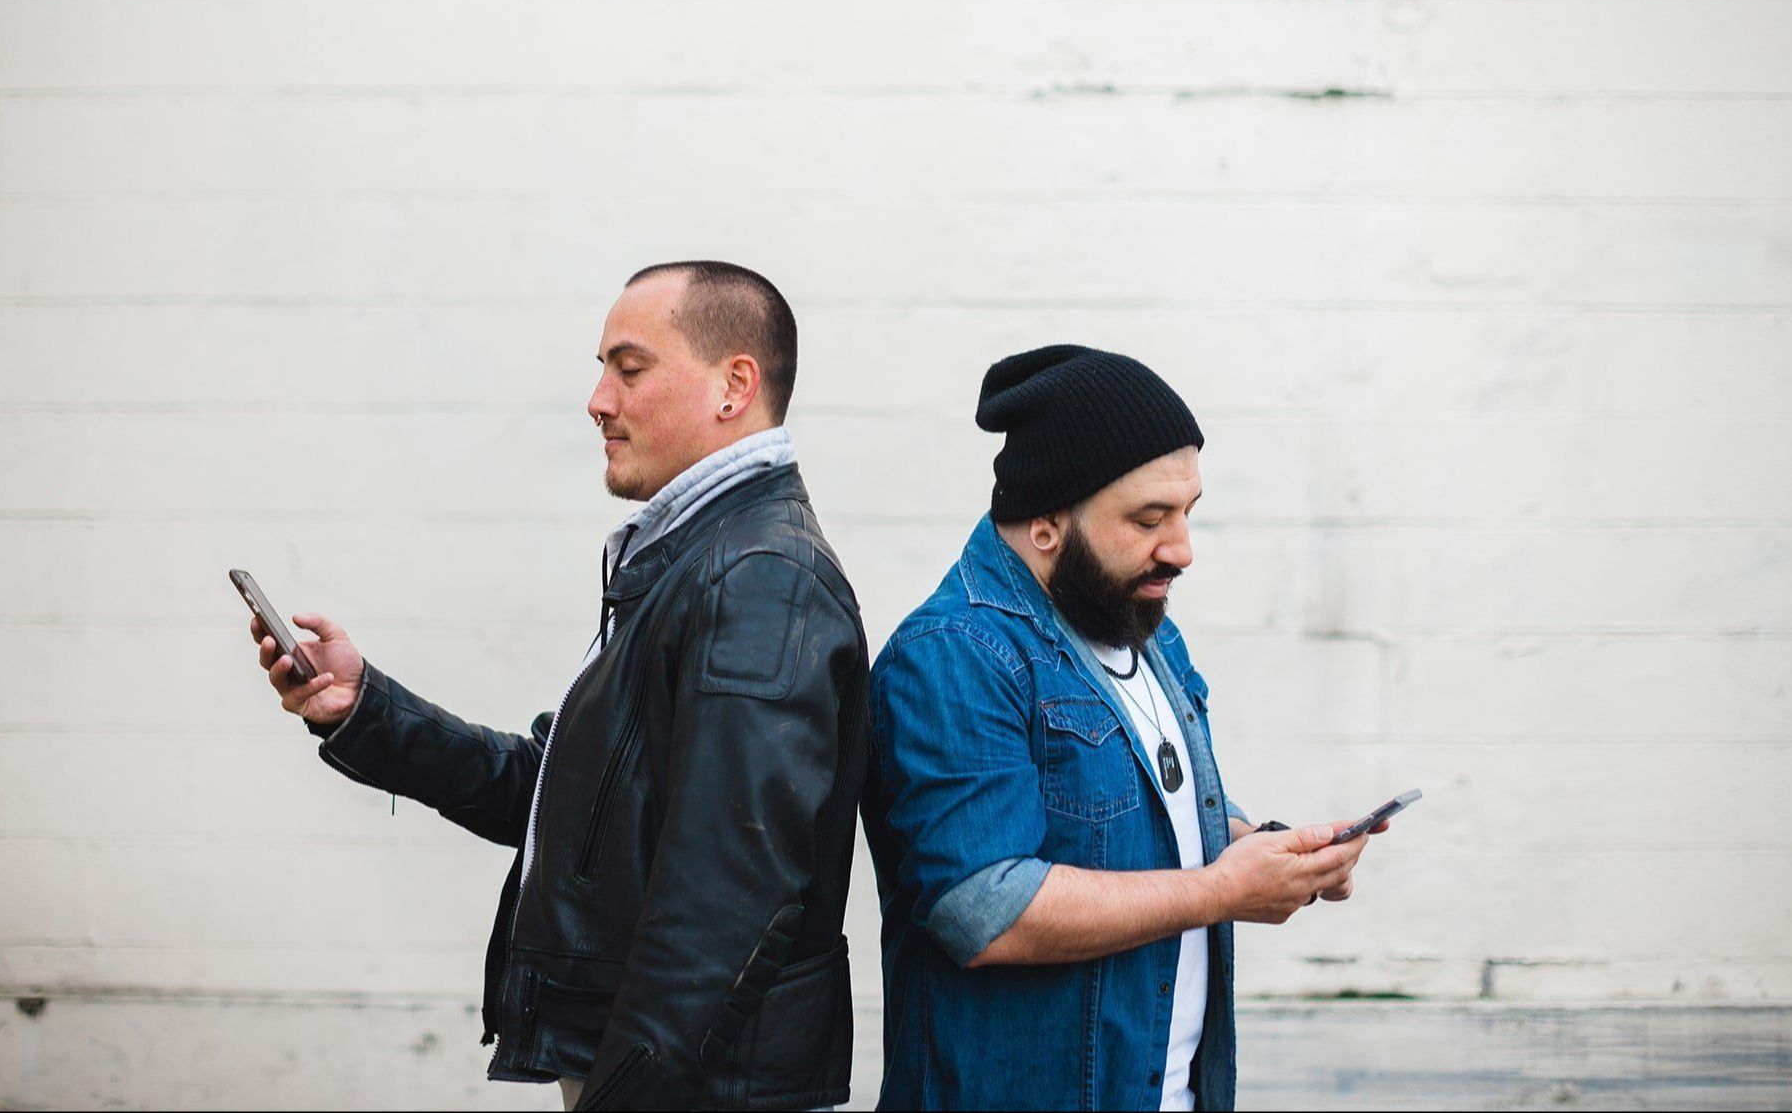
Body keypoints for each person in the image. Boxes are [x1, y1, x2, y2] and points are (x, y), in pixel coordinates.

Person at [247, 262, 869, 1111]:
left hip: (695, 1089)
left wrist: (621, 1095)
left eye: (630, 366)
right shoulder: (698, 560)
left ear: (734, 385)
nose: (597, 400)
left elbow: (724, 900)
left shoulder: (758, 577)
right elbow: (563, 796)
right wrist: (365, 710)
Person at [862, 345, 1380, 1111]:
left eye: (1187, 512)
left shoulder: (1143, 627)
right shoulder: (954, 655)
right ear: (1045, 524)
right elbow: (985, 910)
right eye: (1148, 519)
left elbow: (1149, 822)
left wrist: (1270, 851)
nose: (1182, 549)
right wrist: (1219, 890)